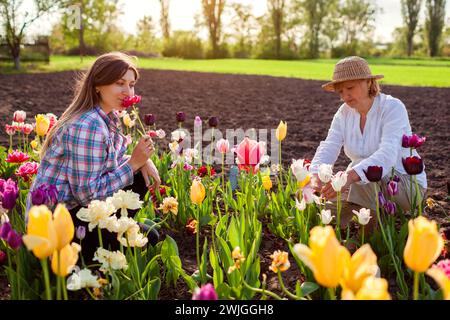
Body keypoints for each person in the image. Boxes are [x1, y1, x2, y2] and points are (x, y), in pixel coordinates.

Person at [26, 52, 161, 261]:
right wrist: (133, 163)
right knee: (147, 230)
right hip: (56, 228)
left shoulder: (105, 117)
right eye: (119, 83)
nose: (128, 91)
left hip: (74, 214)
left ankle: (109, 239)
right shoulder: (88, 125)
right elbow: (86, 195)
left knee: (149, 230)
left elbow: (104, 164)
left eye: (131, 84)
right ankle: (87, 256)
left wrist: (143, 161)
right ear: (98, 85)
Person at [309, 56, 427, 225]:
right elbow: (329, 145)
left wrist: (350, 176)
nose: (345, 95)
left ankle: (366, 239)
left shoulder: (392, 107)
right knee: (324, 207)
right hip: (363, 186)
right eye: (340, 91)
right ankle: (364, 220)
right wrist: (315, 175)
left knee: (365, 175)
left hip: (404, 186)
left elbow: (387, 154)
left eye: (350, 87)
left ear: (368, 82)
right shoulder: (344, 113)